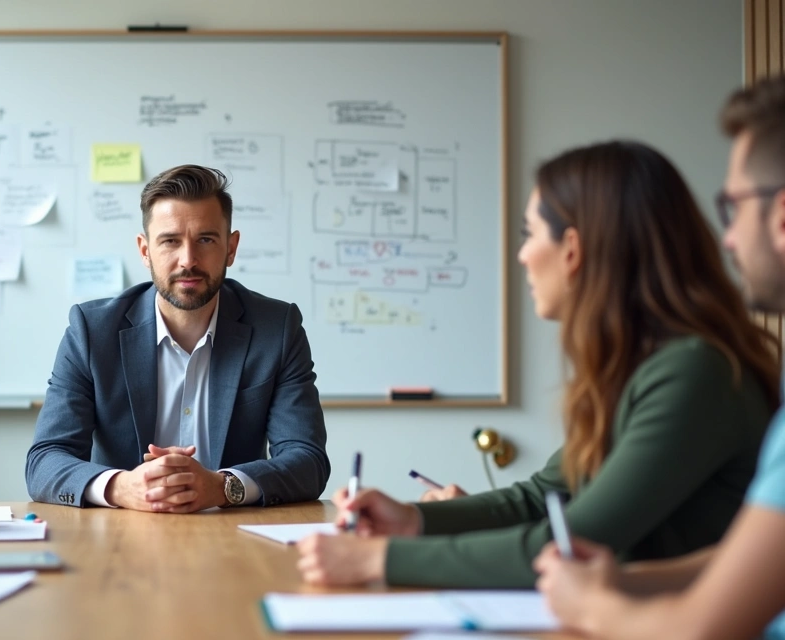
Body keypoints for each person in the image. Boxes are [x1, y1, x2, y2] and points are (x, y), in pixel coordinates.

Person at [297, 139, 780, 588]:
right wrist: (414, 519)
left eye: (530, 234)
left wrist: (377, 560)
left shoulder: (693, 374)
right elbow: (542, 496)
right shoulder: (643, 366)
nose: (523, 255)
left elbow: (574, 544)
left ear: (573, 250)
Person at [534, 76, 785, 640]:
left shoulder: (695, 371)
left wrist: (592, 602)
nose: (728, 240)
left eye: (733, 206)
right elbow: (750, 560)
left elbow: (699, 628)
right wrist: (626, 582)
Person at [25, 164, 330, 511]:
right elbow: (45, 461)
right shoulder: (92, 331)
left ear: (231, 248)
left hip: (234, 536)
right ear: (145, 251)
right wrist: (121, 487)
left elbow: (308, 461)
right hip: (120, 535)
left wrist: (222, 486)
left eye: (206, 239)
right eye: (170, 241)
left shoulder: (276, 329)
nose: (188, 260)